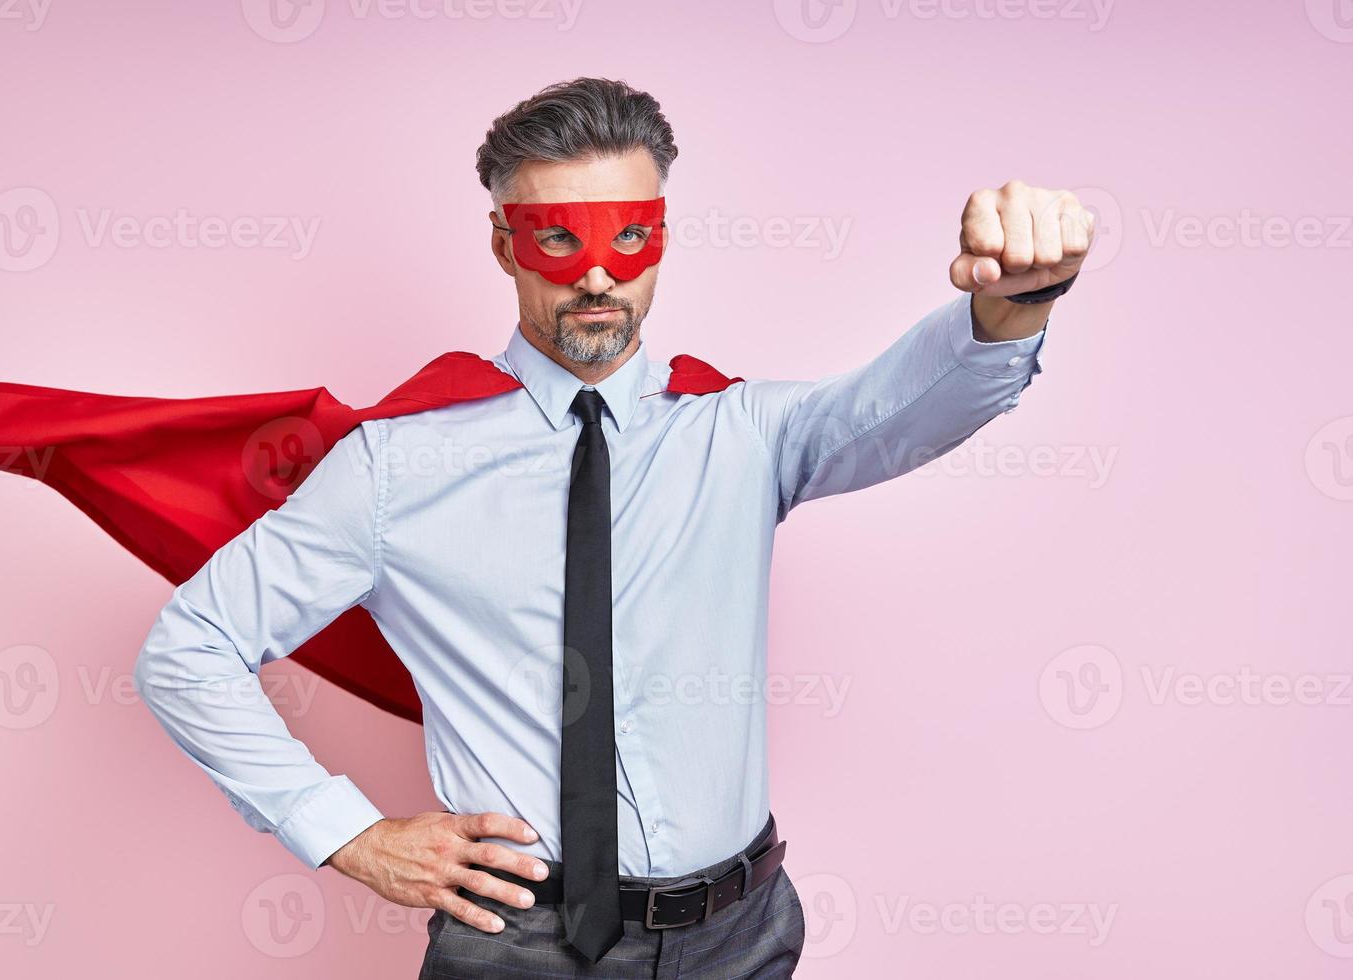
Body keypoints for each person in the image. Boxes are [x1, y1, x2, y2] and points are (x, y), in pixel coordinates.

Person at [131, 76, 1092, 978]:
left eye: (629, 236)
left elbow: (902, 405)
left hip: (739, 938)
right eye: (559, 240)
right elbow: (190, 646)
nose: (598, 277)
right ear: (505, 244)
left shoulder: (742, 432)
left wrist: (1007, 308)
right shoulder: (396, 467)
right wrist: (342, 830)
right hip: (519, 947)